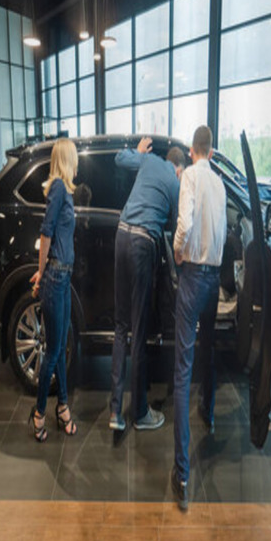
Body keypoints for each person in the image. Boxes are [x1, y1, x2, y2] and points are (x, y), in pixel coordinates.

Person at [109, 137, 186, 432]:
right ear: (178, 169)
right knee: (138, 331)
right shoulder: (176, 183)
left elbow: (119, 158)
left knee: (120, 325)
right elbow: (177, 225)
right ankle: (140, 413)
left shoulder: (149, 160)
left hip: (121, 234)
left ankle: (115, 412)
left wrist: (138, 151)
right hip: (142, 242)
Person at [170, 125, 227, 511]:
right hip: (215, 277)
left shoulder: (189, 176)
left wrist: (177, 251)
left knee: (182, 369)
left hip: (191, 277)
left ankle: (183, 470)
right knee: (209, 353)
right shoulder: (221, 184)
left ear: (192, 151)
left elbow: (185, 224)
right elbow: (222, 232)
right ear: (210, 150)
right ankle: (208, 413)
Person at [28, 138, 79, 442]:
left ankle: (62, 407)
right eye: (75, 157)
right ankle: (38, 413)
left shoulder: (64, 189)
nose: (78, 162)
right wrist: (43, 269)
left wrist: (42, 269)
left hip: (62, 275)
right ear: (67, 158)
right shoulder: (59, 187)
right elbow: (46, 232)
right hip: (56, 277)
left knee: (60, 347)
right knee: (53, 351)